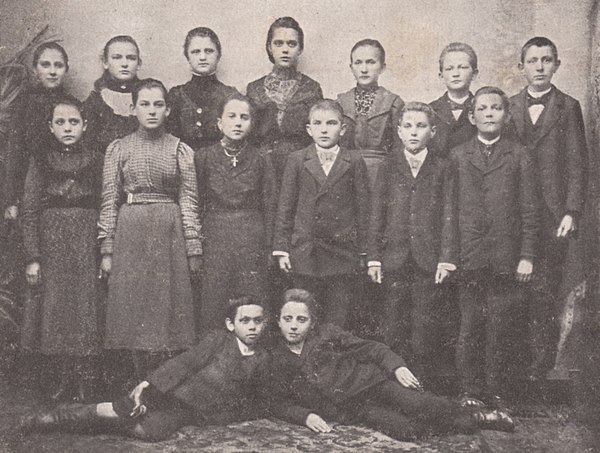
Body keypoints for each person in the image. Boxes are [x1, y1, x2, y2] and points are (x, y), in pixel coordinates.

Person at [265, 289, 515, 441]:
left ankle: (483, 416)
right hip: (354, 407)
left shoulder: (328, 334)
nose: (294, 325)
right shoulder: (275, 358)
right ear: (278, 322)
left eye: (301, 319)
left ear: (312, 322)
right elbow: (278, 402)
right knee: (404, 430)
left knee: (421, 404)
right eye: (288, 319)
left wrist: (397, 367)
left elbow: (372, 348)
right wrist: (306, 415)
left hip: (374, 385)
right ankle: (468, 420)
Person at [20, 296, 269, 442]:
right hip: (172, 392)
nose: (251, 327)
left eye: (257, 322)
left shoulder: (263, 358)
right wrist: (149, 383)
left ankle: (87, 421)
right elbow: (185, 362)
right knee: (125, 409)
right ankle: (55, 417)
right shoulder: (217, 340)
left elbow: (251, 398)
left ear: (265, 324)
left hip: (196, 411)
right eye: (244, 321)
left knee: (151, 430)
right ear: (230, 324)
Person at [97, 78, 201, 380]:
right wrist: (107, 249)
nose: (152, 111)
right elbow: (108, 200)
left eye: (158, 105)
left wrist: (193, 248)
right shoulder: (118, 149)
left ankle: (160, 383)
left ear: (168, 110)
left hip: (168, 230)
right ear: (133, 108)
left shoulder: (181, 150)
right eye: (145, 104)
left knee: (166, 308)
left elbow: (189, 200)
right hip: (131, 230)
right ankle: (136, 380)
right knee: (133, 306)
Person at [451, 86, 539, 410]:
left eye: (496, 108)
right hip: (469, 257)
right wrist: (452, 257)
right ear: (472, 117)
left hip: (506, 257)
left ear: (507, 114)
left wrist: (527, 256)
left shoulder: (519, 155)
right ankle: (469, 391)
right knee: (469, 326)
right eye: (483, 109)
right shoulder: (459, 155)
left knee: (501, 329)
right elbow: (450, 210)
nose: (489, 114)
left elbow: (530, 210)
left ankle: (497, 391)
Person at [507, 36, 588, 382]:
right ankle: (512, 373)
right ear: (521, 66)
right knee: (513, 293)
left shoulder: (567, 107)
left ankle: (538, 373)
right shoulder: (507, 105)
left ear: (556, 65)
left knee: (544, 292)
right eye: (533, 60)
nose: (539, 67)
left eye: (546, 60)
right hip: (513, 215)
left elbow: (577, 163)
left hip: (553, 217)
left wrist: (571, 211)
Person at [20, 96, 102, 402]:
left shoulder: (96, 157)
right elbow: (29, 210)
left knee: (85, 309)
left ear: (84, 125)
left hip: (85, 239)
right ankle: (61, 380)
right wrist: (33, 257)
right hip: (52, 241)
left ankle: (85, 381)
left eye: (74, 122)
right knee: (55, 310)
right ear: (50, 127)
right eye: (60, 122)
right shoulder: (40, 160)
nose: (67, 128)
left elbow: (105, 202)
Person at [367, 102, 457, 378]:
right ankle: (391, 383)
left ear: (432, 131)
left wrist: (446, 258)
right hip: (394, 258)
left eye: (421, 126)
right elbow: (376, 214)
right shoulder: (388, 165)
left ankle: (421, 386)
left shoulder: (443, 167)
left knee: (424, 327)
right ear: (398, 131)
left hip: (428, 260)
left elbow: (449, 215)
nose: (414, 133)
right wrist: (374, 257)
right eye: (408, 126)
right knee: (391, 324)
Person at [273, 99, 369, 328]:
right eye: (317, 123)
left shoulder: (354, 160)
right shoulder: (297, 159)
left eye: (331, 123)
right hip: (306, 250)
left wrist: (364, 251)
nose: (324, 129)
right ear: (308, 129)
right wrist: (282, 247)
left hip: (341, 252)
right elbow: (286, 206)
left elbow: (363, 209)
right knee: (304, 312)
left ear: (343, 128)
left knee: (338, 316)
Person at [195, 94, 276, 329]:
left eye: (244, 117)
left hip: (252, 236)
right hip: (215, 235)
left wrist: (269, 246)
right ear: (219, 123)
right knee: (214, 299)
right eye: (231, 117)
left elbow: (270, 204)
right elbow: (196, 201)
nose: (238, 123)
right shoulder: (204, 157)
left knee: (252, 296)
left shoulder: (261, 159)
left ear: (252, 124)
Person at [246, 16, 323, 187]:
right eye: (279, 43)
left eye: (291, 44)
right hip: (261, 169)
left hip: (300, 169)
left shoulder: (312, 88)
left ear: (300, 48)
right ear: (269, 47)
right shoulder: (254, 89)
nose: (285, 50)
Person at [4, 42, 71, 221]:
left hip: (61, 188)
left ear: (66, 69)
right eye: (45, 65)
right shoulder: (24, 105)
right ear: (35, 69)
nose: (52, 71)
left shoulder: (73, 106)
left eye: (58, 65)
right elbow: (14, 152)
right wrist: (12, 200)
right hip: (28, 187)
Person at [337, 38, 404, 189]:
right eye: (358, 63)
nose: (364, 69)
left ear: (382, 67)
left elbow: (399, 149)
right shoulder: (341, 102)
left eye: (371, 62)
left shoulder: (393, 103)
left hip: (381, 173)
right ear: (351, 67)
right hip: (346, 172)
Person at [168, 27, 238, 151]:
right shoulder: (176, 95)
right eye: (195, 52)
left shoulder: (230, 95)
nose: (202, 57)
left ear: (218, 55)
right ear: (187, 57)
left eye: (209, 51)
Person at [83, 35, 141, 156]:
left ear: (139, 64)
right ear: (105, 62)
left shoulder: (148, 97)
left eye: (131, 58)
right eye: (117, 58)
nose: (124, 64)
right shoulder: (95, 102)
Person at [429, 42, 479, 157]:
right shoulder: (429, 111)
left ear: (474, 74)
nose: (455, 74)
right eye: (449, 69)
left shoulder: (483, 109)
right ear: (441, 76)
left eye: (462, 67)